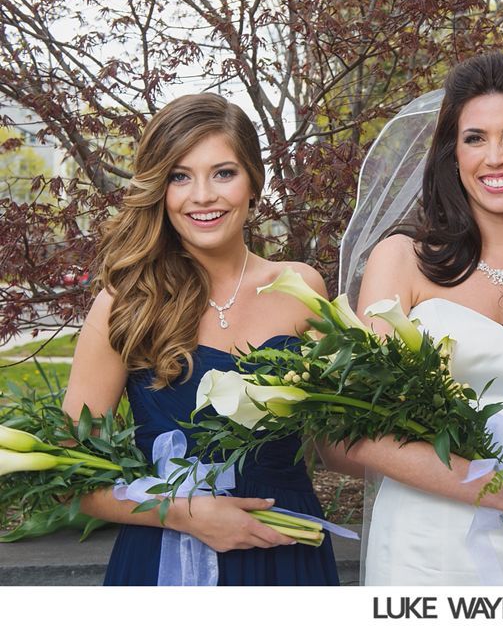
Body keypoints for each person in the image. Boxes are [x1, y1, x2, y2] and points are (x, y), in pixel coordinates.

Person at [333, 52, 503, 586]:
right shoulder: (402, 259)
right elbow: (356, 434)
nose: (495, 157)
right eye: (475, 138)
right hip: (427, 543)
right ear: (452, 153)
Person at [61, 93, 339, 586]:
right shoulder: (126, 304)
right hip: (164, 555)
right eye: (179, 176)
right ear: (159, 190)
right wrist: (182, 513)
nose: (203, 195)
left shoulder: (300, 287)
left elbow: (339, 441)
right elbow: (71, 480)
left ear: (253, 181)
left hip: (286, 552)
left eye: (223, 173)